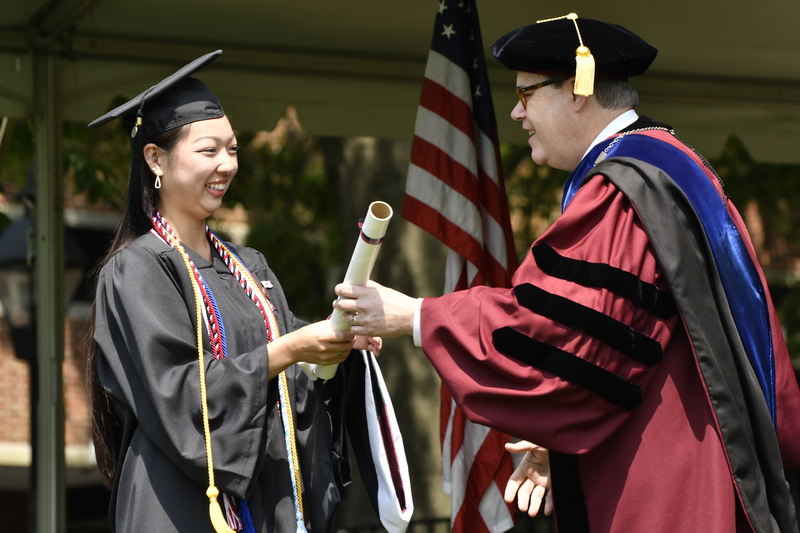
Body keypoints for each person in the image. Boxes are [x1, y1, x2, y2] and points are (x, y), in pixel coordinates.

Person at [333, 13, 800, 533]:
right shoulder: (674, 170)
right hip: (683, 450)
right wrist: (559, 441)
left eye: (526, 94)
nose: (515, 112)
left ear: (577, 90)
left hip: (665, 486)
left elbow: (555, 330)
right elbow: (615, 357)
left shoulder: (623, 192)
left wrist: (417, 316)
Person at [86, 50, 411, 533]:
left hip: (265, 498)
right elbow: (178, 393)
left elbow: (290, 365)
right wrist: (286, 351)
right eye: (208, 150)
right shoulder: (136, 270)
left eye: (233, 149)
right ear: (155, 158)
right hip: (178, 506)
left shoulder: (247, 265)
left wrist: (336, 346)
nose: (226, 165)